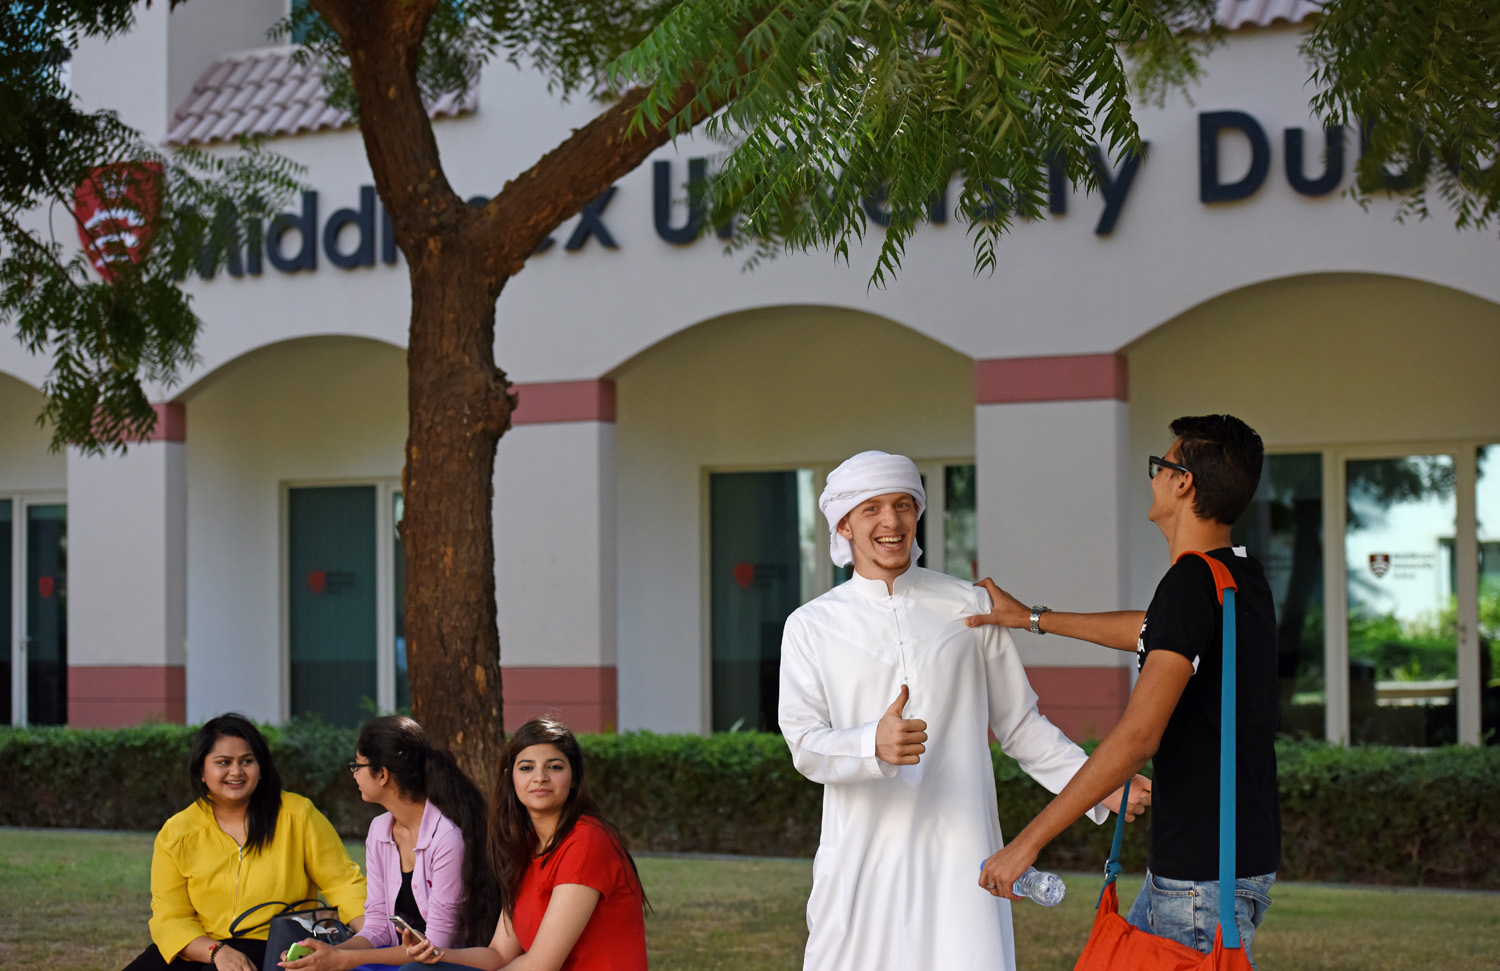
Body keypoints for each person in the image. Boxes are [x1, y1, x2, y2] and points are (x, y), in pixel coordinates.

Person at [778, 450, 1149, 971]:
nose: (891, 522)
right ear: (844, 524)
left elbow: (1020, 726)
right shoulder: (810, 625)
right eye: (871, 509)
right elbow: (803, 743)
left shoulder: (970, 606)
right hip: (861, 862)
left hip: (961, 853)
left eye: (903, 505)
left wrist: (1098, 782)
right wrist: (869, 743)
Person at [973, 414, 1281, 967]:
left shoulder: (1191, 583)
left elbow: (1139, 736)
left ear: (1183, 482)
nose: (1154, 477)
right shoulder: (1238, 576)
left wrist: (1026, 844)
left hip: (1198, 882)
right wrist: (1031, 619)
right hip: (1226, 864)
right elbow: (1156, 629)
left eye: (1160, 465)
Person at [397, 715, 647, 971]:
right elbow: (499, 954)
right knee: (418, 969)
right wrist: (436, 954)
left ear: (574, 778)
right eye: (527, 768)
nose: (540, 777)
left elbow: (541, 965)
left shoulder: (587, 841)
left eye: (555, 767)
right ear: (511, 778)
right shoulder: (524, 846)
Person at [122, 713, 366, 971]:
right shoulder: (177, 833)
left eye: (247, 761)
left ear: (261, 769)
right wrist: (216, 951)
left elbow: (342, 883)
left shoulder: (297, 815)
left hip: (274, 945)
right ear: (201, 771)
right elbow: (170, 918)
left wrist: (372, 935)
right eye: (223, 762)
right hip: (199, 945)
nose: (236, 772)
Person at [282, 715, 499, 970]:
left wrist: (342, 960)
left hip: (443, 963)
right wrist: (329, 953)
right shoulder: (379, 831)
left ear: (382, 775)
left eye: (357, 765)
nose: (354, 775)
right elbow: (377, 928)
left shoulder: (446, 839)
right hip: (404, 959)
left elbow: (434, 947)